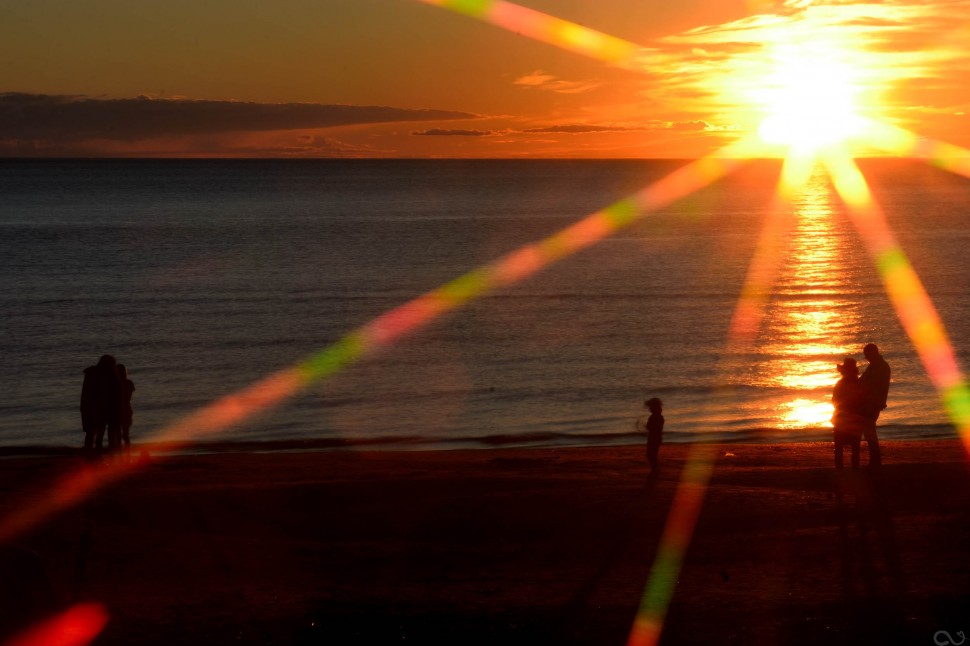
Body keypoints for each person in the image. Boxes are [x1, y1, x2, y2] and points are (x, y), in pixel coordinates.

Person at [79, 354, 122, 460]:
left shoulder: (93, 374)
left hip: (98, 409)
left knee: (95, 435)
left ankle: (92, 458)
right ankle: (98, 458)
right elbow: (117, 394)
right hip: (104, 409)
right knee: (101, 435)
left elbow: (86, 394)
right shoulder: (110, 375)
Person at [831, 357, 866, 470]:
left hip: (842, 418)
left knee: (839, 445)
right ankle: (855, 468)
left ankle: (839, 469)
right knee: (855, 445)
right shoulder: (859, 383)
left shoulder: (840, 383)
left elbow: (834, 400)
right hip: (855, 418)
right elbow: (863, 400)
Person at [859, 343, 890, 468]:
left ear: (873, 353)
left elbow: (871, 384)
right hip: (874, 402)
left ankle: (875, 461)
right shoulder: (876, 365)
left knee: (870, 431)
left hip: (873, 403)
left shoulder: (879, 366)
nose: (866, 357)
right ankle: (875, 461)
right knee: (869, 431)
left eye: (867, 355)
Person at [637, 397, 665, 476]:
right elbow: (656, 428)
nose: (650, 409)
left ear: (654, 407)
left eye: (651, 407)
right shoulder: (659, 416)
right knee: (652, 454)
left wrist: (645, 426)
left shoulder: (654, 417)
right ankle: (655, 469)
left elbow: (652, 428)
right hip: (657, 437)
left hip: (654, 438)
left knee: (650, 454)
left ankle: (655, 470)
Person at [117, 364, 136, 456]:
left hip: (117, 410)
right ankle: (128, 455)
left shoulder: (115, 383)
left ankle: (120, 456)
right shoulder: (129, 383)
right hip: (127, 409)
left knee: (118, 435)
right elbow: (129, 396)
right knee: (126, 435)